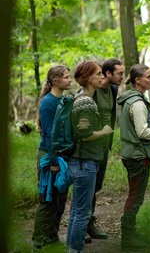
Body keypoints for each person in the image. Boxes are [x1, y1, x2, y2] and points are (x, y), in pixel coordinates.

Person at [117, 64, 150, 249]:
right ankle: (128, 238)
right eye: (148, 76)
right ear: (138, 80)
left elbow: (136, 126)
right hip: (137, 156)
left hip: (133, 153)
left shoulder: (132, 99)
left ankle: (130, 234)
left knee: (135, 195)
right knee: (135, 197)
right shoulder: (137, 103)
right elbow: (142, 132)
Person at [66, 61, 113, 253]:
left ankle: (71, 249)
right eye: (99, 74)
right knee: (82, 212)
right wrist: (105, 131)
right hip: (85, 162)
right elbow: (84, 134)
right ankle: (75, 250)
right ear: (87, 78)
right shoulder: (85, 102)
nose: (102, 77)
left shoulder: (84, 98)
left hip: (83, 161)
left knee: (77, 210)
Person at [32, 65, 72, 250]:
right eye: (66, 77)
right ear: (56, 81)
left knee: (58, 200)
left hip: (60, 155)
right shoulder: (48, 103)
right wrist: (54, 162)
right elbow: (48, 135)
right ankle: (38, 239)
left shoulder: (62, 100)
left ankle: (52, 236)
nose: (70, 80)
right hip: (49, 156)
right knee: (47, 200)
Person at [87, 58, 125, 240]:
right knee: (87, 185)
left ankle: (88, 222)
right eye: (120, 73)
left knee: (96, 185)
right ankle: (83, 224)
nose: (123, 77)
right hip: (90, 144)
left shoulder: (114, 89)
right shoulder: (92, 90)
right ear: (108, 73)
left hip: (104, 145)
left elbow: (110, 116)